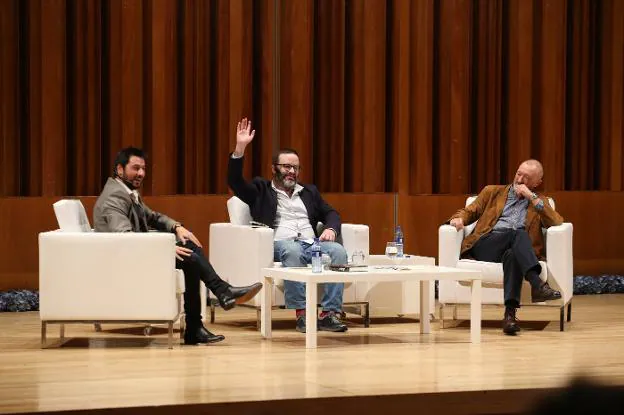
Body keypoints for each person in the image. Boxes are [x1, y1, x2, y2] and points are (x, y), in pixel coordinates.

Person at [93, 147, 262, 345]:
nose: (141, 173)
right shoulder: (114, 198)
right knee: (188, 257)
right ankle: (218, 297)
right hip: (126, 261)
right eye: (135, 168)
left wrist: (177, 227)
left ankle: (201, 320)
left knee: (188, 245)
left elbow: (153, 217)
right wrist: (164, 248)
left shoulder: (126, 192)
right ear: (119, 169)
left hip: (138, 253)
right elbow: (126, 238)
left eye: (143, 168)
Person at [228, 118, 348, 334]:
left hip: (313, 244)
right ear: (274, 168)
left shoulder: (309, 191)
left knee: (338, 251)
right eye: (286, 166)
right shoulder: (261, 189)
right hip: (280, 243)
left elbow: (331, 213)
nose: (291, 171)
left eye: (295, 167)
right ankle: (303, 315)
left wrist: (330, 229)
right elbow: (235, 182)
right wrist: (240, 148)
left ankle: (329, 314)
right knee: (292, 250)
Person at [447, 159, 563, 335]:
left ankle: (509, 316)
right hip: (486, 244)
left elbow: (556, 221)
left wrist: (531, 197)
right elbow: (471, 210)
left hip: (514, 248)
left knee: (512, 255)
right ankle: (537, 284)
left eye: (526, 177)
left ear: (537, 182)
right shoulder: (493, 191)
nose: (520, 179)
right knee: (518, 233)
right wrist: (459, 219)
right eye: (519, 173)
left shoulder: (539, 202)